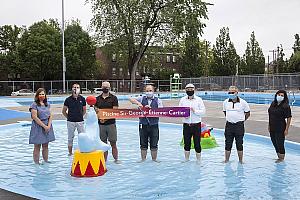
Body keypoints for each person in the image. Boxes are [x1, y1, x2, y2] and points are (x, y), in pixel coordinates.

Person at [129, 84, 163, 162]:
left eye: (150, 90)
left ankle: (154, 160)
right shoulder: (141, 98)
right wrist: (139, 104)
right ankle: (143, 159)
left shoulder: (158, 100)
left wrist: (152, 110)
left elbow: (161, 112)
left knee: (154, 142)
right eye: (147, 91)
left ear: (153, 91)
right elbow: (130, 99)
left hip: (154, 124)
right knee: (143, 142)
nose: (149, 92)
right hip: (143, 124)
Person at [94, 81, 120, 163]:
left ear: (109, 88)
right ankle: (104, 161)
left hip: (111, 124)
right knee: (103, 144)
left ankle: (116, 159)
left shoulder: (114, 98)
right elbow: (95, 110)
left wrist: (105, 118)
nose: (105, 88)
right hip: (101, 125)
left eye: (107, 87)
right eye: (104, 87)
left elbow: (115, 111)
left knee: (113, 143)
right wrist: (99, 115)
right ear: (101, 87)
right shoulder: (97, 99)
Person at [223, 86, 250, 164]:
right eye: (229, 92)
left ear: (237, 93)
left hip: (239, 126)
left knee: (239, 143)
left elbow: (248, 113)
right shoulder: (225, 102)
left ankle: (241, 161)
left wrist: (241, 120)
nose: (231, 94)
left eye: (232, 92)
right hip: (229, 125)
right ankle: (226, 160)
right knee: (228, 143)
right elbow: (225, 112)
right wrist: (230, 118)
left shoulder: (243, 102)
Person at [179, 83, 206, 163]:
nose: (189, 90)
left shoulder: (199, 100)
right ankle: (186, 159)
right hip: (186, 125)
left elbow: (203, 112)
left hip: (196, 125)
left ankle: (199, 160)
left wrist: (195, 111)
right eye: (188, 89)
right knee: (186, 143)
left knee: (197, 143)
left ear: (194, 89)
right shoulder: (182, 100)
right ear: (185, 90)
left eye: (191, 89)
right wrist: (184, 115)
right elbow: (179, 111)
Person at [29, 88, 55, 164]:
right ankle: (36, 163)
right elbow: (34, 117)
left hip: (47, 125)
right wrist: (44, 126)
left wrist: (49, 126)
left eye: (43, 94)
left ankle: (46, 161)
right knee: (37, 146)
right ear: (37, 95)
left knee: (46, 145)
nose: (41, 95)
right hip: (38, 126)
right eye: (40, 94)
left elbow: (50, 115)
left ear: (45, 95)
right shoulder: (34, 104)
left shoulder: (48, 104)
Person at [62, 83, 86, 156]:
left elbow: (84, 110)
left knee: (82, 137)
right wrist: (69, 118)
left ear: (79, 89)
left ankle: (83, 151)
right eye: (74, 87)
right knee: (70, 138)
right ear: (72, 89)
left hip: (80, 121)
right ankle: (70, 153)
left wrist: (80, 117)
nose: (76, 88)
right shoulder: (68, 100)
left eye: (77, 87)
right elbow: (63, 111)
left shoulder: (82, 99)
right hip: (70, 122)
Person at [268, 90, 292, 163]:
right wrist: (269, 125)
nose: (280, 96)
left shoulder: (286, 106)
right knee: (274, 142)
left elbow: (289, 117)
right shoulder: (273, 104)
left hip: (280, 127)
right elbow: (270, 115)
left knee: (280, 143)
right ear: (276, 95)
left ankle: (281, 159)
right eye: (279, 95)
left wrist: (286, 129)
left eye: (282, 95)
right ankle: (279, 157)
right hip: (272, 127)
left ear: (284, 97)